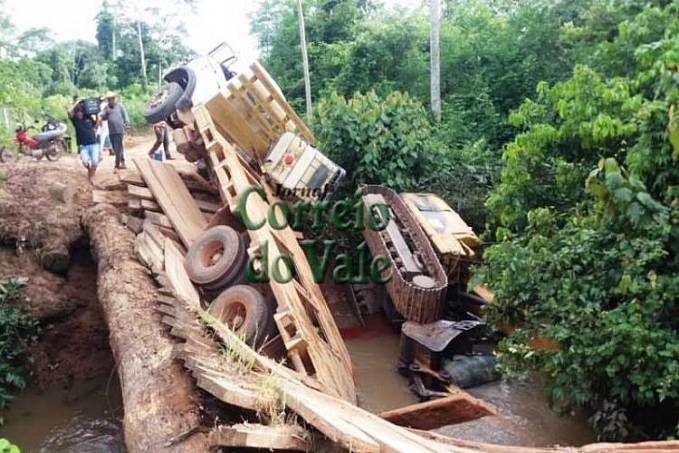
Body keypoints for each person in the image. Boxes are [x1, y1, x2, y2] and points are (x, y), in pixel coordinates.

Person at [67, 96, 100, 183]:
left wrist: (97, 115)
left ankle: (91, 177)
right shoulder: (75, 121)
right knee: (85, 162)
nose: (79, 114)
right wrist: (76, 102)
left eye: (80, 112)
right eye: (77, 112)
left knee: (95, 162)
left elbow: (96, 126)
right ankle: (89, 170)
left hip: (93, 144)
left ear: (83, 112)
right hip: (83, 146)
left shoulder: (88, 118)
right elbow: (69, 111)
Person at [101, 91, 130, 170]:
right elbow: (103, 117)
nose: (111, 101)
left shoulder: (120, 106)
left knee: (118, 147)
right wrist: (104, 114)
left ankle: (117, 164)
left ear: (114, 99)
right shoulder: (106, 108)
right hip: (111, 131)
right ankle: (122, 161)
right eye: (109, 99)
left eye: (112, 99)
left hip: (119, 130)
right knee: (115, 147)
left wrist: (127, 126)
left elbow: (125, 116)